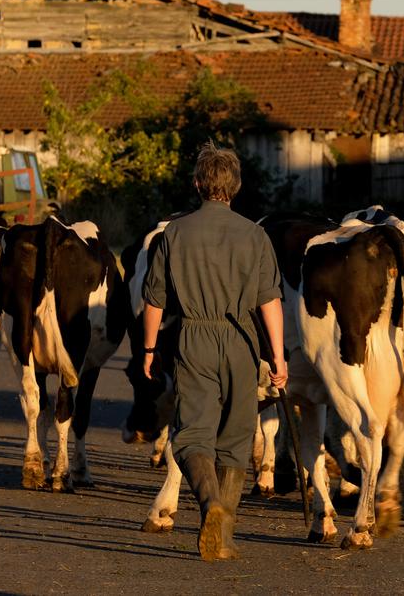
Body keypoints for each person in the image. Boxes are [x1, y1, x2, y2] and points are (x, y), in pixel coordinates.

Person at [141, 143, 287, 561]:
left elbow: (154, 301)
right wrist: (278, 358)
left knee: (192, 437)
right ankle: (222, 536)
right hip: (242, 342)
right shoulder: (255, 235)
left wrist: (149, 349)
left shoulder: (174, 233)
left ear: (197, 184)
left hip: (194, 338)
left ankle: (210, 505)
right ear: (235, 187)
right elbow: (269, 301)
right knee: (237, 440)